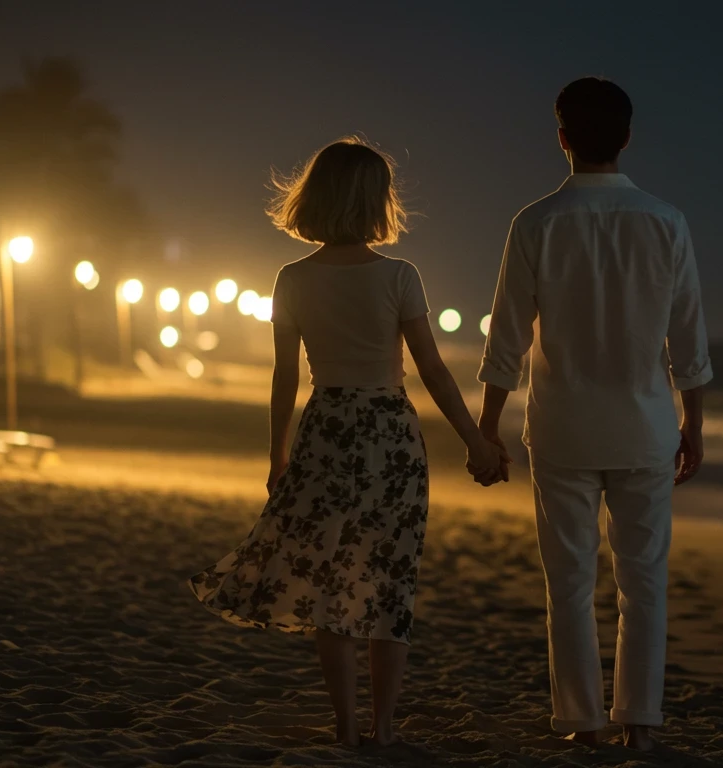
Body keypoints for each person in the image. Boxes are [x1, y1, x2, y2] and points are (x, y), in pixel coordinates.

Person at [189, 136, 508, 748]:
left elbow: (285, 379)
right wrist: (476, 442)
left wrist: (277, 457)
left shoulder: (291, 279)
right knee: (390, 582)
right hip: (389, 434)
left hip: (325, 432)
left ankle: (345, 726)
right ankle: (384, 727)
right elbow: (434, 371)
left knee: (330, 587)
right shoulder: (399, 276)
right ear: (377, 202)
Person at [475, 77, 713, 751]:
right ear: (627, 137)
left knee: (570, 583)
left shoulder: (536, 222)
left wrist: (487, 429)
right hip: (645, 426)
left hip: (563, 426)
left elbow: (508, 342)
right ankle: (639, 721)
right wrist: (694, 424)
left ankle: (580, 719)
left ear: (562, 139)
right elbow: (688, 337)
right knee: (644, 582)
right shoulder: (667, 221)